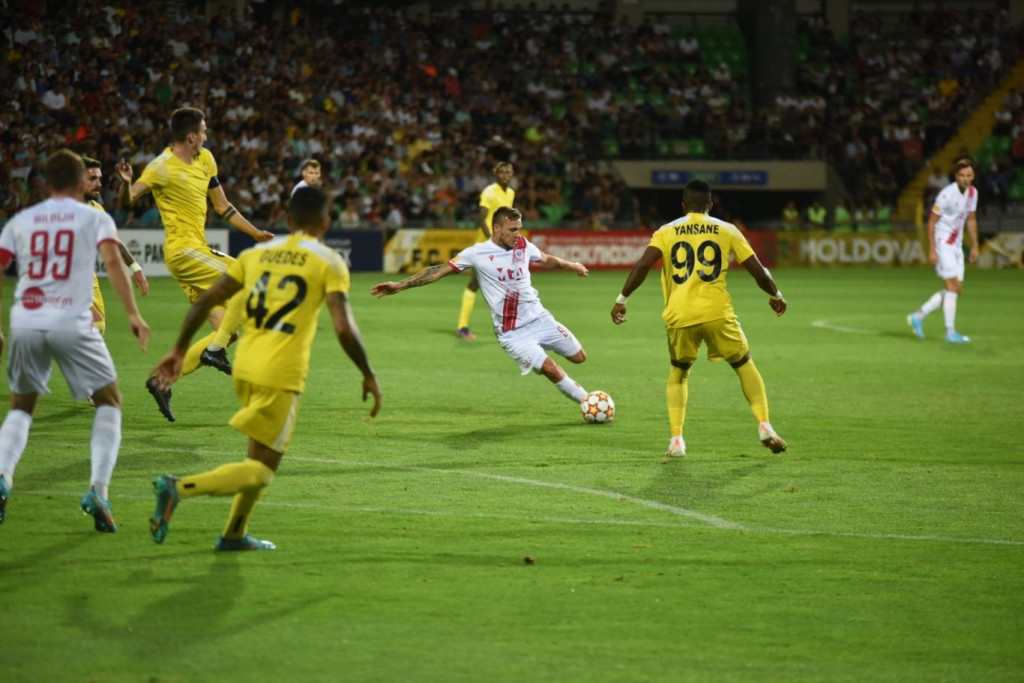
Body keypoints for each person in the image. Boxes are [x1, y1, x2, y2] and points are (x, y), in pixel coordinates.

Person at [148, 187, 380, 550]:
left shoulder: (255, 254)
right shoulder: (329, 261)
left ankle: (234, 534)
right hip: (281, 374)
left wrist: (179, 349)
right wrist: (368, 373)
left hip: (244, 367)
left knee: (255, 456)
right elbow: (343, 327)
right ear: (326, 222)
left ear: (287, 221)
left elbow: (205, 301)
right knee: (263, 470)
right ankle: (176, 489)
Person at [0, 149, 150, 529]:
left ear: (46, 183)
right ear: (81, 180)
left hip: (27, 320)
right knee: (110, 401)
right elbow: (113, 262)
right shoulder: (91, 217)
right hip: (73, 319)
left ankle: (3, 477)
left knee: (20, 409)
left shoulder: (21, 220)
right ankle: (98, 491)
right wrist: (133, 314)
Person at [117, 107, 274, 422]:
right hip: (182, 251)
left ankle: (162, 381)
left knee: (227, 330)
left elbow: (223, 206)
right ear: (190, 136)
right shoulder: (160, 167)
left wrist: (255, 232)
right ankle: (213, 353)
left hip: (196, 251)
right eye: (203, 130)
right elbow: (127, 200)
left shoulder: (206, 159)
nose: (206, 135)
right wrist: (125, 183)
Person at [610, 179, 787, 458]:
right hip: (718, 313)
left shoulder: (666, 231)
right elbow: (758, 270)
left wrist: (622, 299)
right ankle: (764, 424)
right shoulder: (727, 230)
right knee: (743, 364)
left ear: (683, 206)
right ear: (711, 205)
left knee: (679, 373)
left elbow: (644, 264)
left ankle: (677, 440)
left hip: (680, 316)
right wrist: (776, 294)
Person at [372, 206, 593, 408]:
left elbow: (546, 258)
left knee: (579, 357)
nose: (517, 234)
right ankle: (587, 401)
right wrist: (399, 285)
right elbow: (437, 271)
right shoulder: (476, 253)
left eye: (519, 229)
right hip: (513, 333)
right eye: (512, 229)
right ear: (496, 228)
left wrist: (572, 266)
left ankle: (560, 373)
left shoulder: (523, 245)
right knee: (550, 369)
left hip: (540, 319)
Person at [907, 158, 979, 343]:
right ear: (956, 176)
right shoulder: (946, 195)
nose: (965, 179)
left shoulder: (973, 193)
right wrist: (932, 249)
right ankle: (950, 332)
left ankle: (918, 316)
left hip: (956, 245)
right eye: (962, 175)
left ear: (973, 176)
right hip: (942, 243)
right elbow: (931, 221)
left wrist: (975, 245)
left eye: (968, 175)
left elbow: (971, 219)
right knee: (952, 287)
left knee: (956, 289)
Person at [82, 156, 149, 338]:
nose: (98, 184)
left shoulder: (97, 209)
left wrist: (136, 268)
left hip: (89, 279)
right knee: (94, 326)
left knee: (98, 328)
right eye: (92, 179)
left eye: (100, 179)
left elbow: (113, 243)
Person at [457, 162, 515, 339]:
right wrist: (492, 240)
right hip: (486, 244)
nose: (505, 175)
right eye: (502, 172)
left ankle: (508, 324)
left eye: (508, 172)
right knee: (475, 284)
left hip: (501, 244)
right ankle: (462, 327)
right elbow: (482, 218)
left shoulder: (511, 193)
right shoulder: (489, 192)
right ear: (496, 174)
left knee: (506, 282)